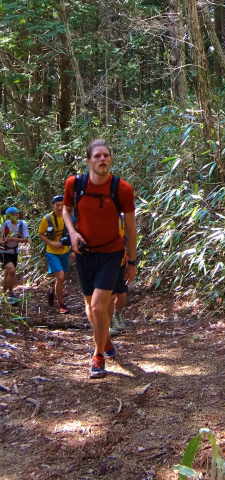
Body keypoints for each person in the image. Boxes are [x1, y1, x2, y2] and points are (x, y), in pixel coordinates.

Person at [63, 139, 137, 379]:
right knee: (91, 307)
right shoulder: (74, 184)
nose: (102, 159)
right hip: (85, 252)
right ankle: (104, 339)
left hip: (112, 252)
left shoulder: (122, 189)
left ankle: (98, 357)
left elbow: (131, 228)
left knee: (98, 305)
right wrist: (72, 233)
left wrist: (132, 262)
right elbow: (67, 210)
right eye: (97, 156)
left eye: (106, 155)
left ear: (111, 159)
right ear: (88, 161)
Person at [38, 195, 71, 314]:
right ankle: (61, 304)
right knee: (60, 277)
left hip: (65, 251)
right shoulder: (47, 219)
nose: (60, 207)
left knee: (62, 278)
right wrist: (52, 242)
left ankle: (52, 291)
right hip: (52, 252)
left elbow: (74, 232)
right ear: (53, 205)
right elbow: (40, 234)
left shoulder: (68, 216)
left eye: (62, 204)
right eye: (58, 205)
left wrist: (72, 250)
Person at [1, 206, 30, 304]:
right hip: (4, 251)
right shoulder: (3, 225)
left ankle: (3, 293)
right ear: (8, 217)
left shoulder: (22, 224)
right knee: (12, 271)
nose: (16, 216)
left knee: (8, 273)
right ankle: (11, 293)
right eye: (13, 215)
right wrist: (3, 241)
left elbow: (26, 239)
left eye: (17, 214)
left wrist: (15, 240)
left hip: (14, 251)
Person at [109, 213, 129, 335]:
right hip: (106, 263)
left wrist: (130, 259)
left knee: (122, 294)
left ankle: (117, 314)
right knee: (111, 296)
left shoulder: (123, 218)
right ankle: (109, 322)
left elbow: (128, 237)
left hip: (121, 261)